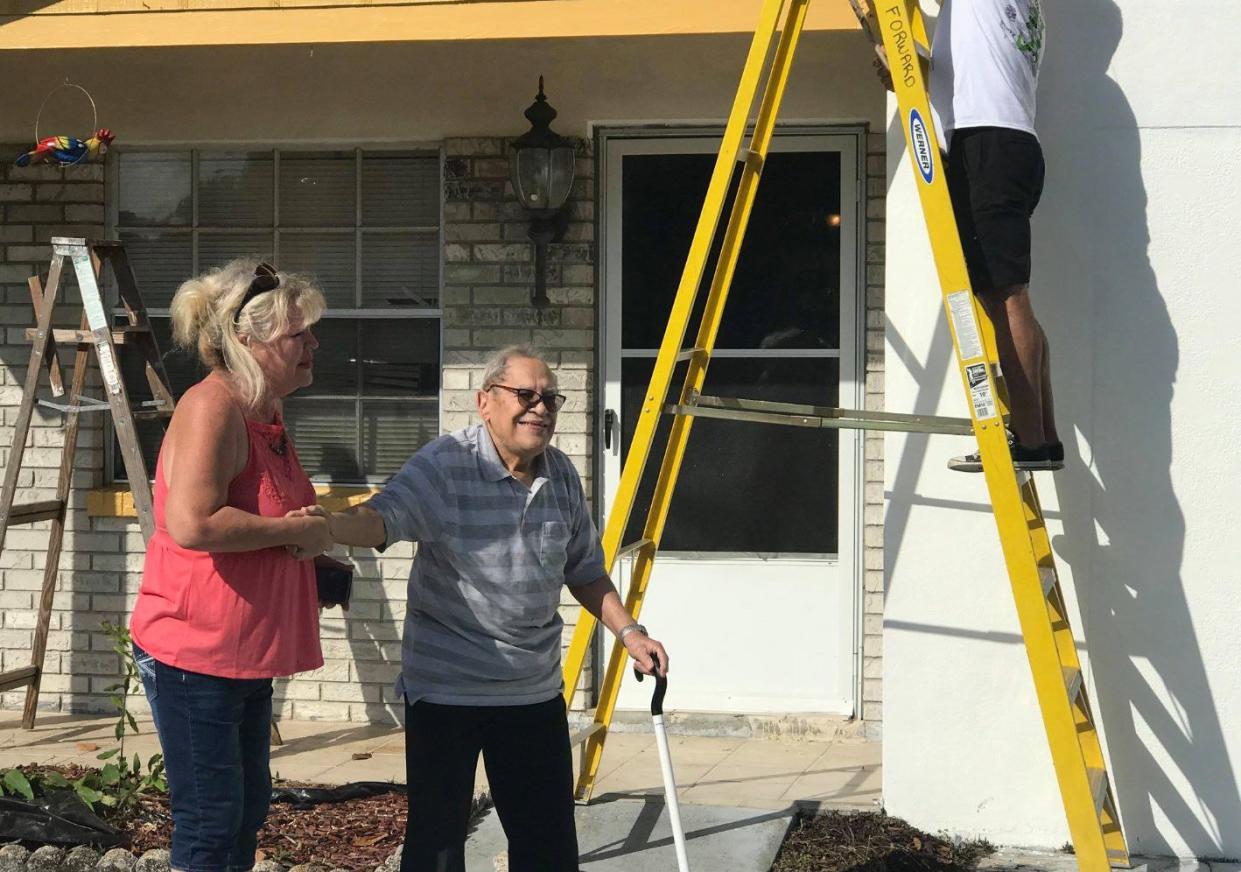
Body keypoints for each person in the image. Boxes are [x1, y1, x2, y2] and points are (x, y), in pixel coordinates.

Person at [294, 345, 669, 872]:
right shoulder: (447, 464)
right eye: (525, 395)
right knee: (438, 846)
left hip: (532, 691)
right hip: (448, 693)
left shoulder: (560, 474)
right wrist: (329, 526)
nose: (540, 408)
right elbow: (384, 518)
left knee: (548, 847)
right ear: (485, 402)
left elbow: (583, 569)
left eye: (550, 399)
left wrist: (631, 632)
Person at [128, 259, 334, 872]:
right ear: (251, 341)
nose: (314, 345)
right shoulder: (211, 406)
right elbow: (191, 524)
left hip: (241, 654)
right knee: (212, 816)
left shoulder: (264, 410)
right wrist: (288, 532)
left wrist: (308, 531)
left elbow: (268, 506)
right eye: (299, 335)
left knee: (246, 809)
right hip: (196, 655)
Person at [875, 0, 1061, 471]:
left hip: (986, 147)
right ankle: (1043, 436)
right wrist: (895, 56)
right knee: (1010, 295)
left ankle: (1032, 441)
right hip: (1009, 145)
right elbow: (954, 72)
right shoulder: (1014, 11)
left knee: (1006, 296)